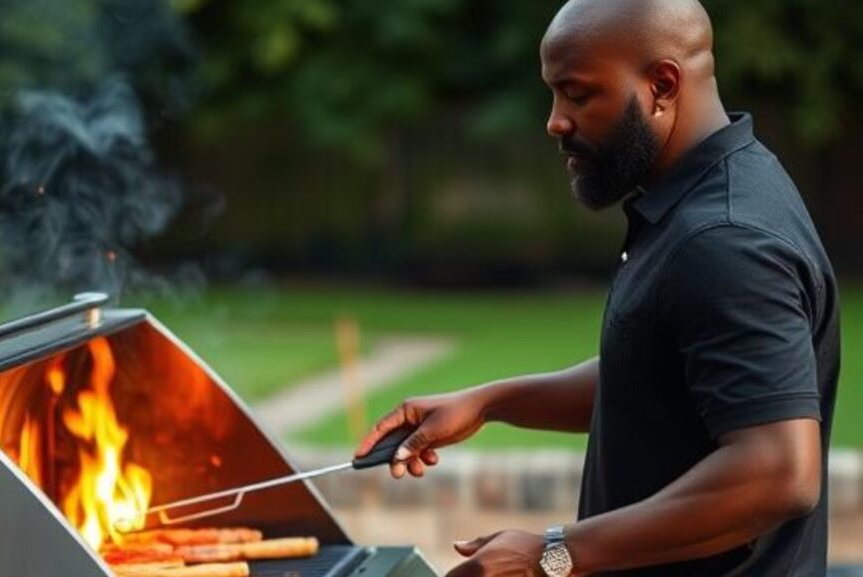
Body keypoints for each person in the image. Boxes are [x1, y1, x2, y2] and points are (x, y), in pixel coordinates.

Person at [354, 0, 841, 575]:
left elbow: (777, 471)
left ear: (662, 84)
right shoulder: (711, 193)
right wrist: (491, 402)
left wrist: (553, 553)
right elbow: (659, 374)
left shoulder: (722, 241)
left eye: (578, 94)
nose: (555, 121)